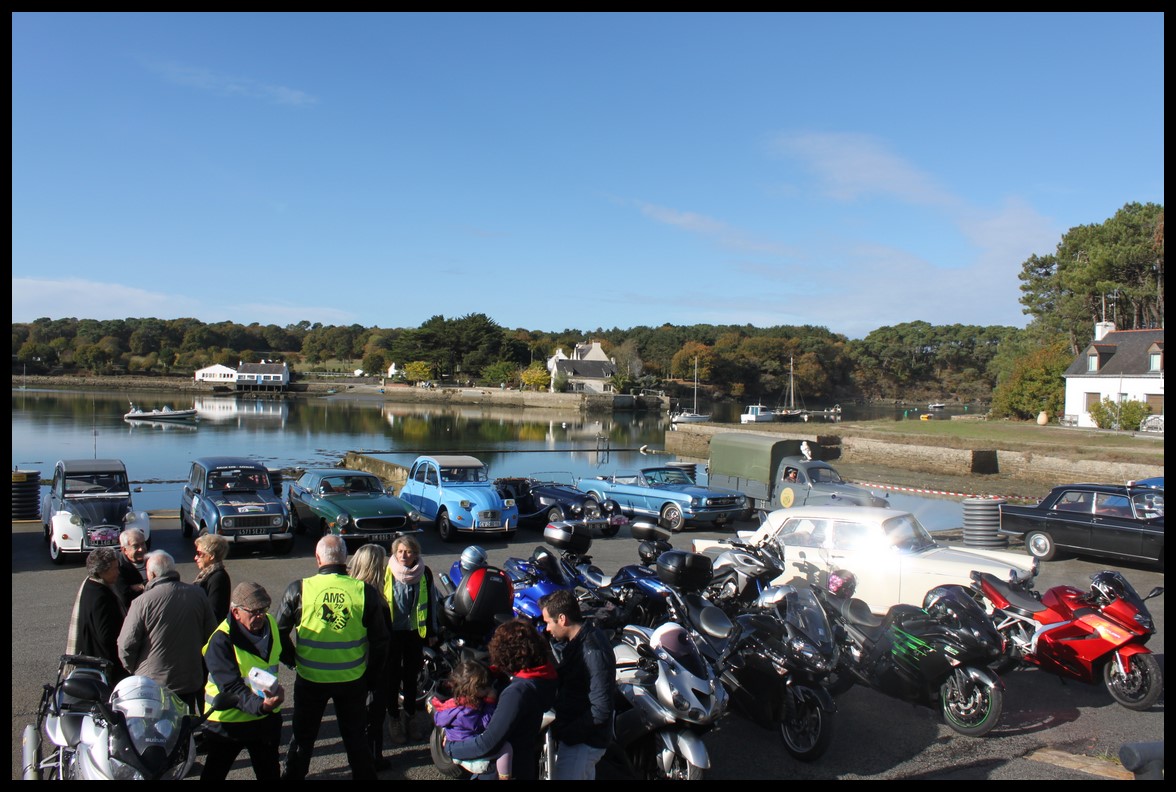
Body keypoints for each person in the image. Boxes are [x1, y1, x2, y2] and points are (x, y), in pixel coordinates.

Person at [275, 535, 389, 781]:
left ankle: (293, 776)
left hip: (310, 678)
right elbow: (380, 641)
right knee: (356, 738)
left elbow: (279, 632)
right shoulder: (364, 592)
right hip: (352, 678)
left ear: (317, 558)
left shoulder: (299, 589)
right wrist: (371, 677)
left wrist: (292, 659)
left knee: (303, 738)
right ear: (345, 559)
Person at [445, 619, 558, 781]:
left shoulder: (517, 692)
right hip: (523, 765)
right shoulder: (544, 677)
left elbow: (487, 743)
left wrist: (451, 748)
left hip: (501, 771)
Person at [200, 582, 286, 781]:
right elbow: (231, 687)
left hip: (263, 721)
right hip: (228, 723)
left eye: (263, 610)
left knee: (270, 772)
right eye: (253, 612)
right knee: (214, 773)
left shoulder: (270, 623)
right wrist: (262, 706)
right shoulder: (220, 641)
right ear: (235, 612)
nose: (260, 616)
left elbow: (281, 654)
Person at [117, 550, 217, 714]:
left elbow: (125, 644)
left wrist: (134, 669)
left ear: (153, 574)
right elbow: (212, 635)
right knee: (185, 725)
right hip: (190, 679)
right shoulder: (198, 595)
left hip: (153, 683)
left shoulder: (142, 602)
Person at [539, 588, 615, 779]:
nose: (547, 629)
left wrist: (568, 733)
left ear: (562, 619)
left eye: (548, 622)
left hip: (583, 743)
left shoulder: (591, 651)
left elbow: (601, 708)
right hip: (582, 739)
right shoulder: (584, 639)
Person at [383, 534, 437, 745]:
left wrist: (432, 631)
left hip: (415, 632)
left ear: (416, 553)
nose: (404, 555)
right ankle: (393, 718)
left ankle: (410, 716)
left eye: (409, 551)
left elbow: (431, 602)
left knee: (411, 677)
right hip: (392, 632)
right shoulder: (386, 571)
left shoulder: (424, 573)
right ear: (394, 553)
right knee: (391, 676)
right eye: (400, 551)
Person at [347, 542, 393, 771]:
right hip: (372, 667)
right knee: (373, 716)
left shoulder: (350, 592)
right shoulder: (375, 599)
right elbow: (382, 641)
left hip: (350, 663)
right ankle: (373, 758)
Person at [431, 659, 513, 780]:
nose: (489, 689)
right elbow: (486, 724)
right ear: (473, 689)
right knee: (505, 748)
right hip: (464, 743)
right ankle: (504, 777)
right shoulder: (466, 710)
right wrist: (490, 702)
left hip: (456, 741)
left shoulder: (457, 701)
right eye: (484, 687)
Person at [65, 547, 129, 684]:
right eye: (115, 569)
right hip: (103, 665)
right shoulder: (100, 596)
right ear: (101, 571)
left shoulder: (89, 585)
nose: (118, 572)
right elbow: (106, 636)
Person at [194, 533, 232, 623]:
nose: (195, 557)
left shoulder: (218, 578)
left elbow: (214, 613)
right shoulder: (207, 574)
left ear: (211, 555)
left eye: (199, 553)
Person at [115, 528, 148, 611]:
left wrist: (141, 586)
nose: (141, 549)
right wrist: (151, 585)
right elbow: (125, 597)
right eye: (136, 546)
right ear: (124, 550)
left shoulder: (154, 560)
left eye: (143, 544)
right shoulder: (117, 567)